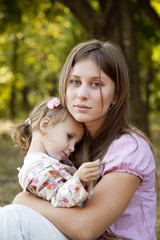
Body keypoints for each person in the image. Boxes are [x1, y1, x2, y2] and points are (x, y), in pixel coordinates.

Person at [0, 39, 157, 240]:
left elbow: (86, 228)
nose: (82, 94)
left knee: (13, 219)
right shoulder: (69, 144)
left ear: (116, 96)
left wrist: (24, 200)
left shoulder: (130, 149)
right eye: (75, 82)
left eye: (96, 84)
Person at [13, 97, 101, 208]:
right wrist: (79, 179)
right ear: (45, 125)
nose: (72, 148)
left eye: (75, 144)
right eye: (69, 136)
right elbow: (59, 197)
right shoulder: (35, 168)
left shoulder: (48, 162)